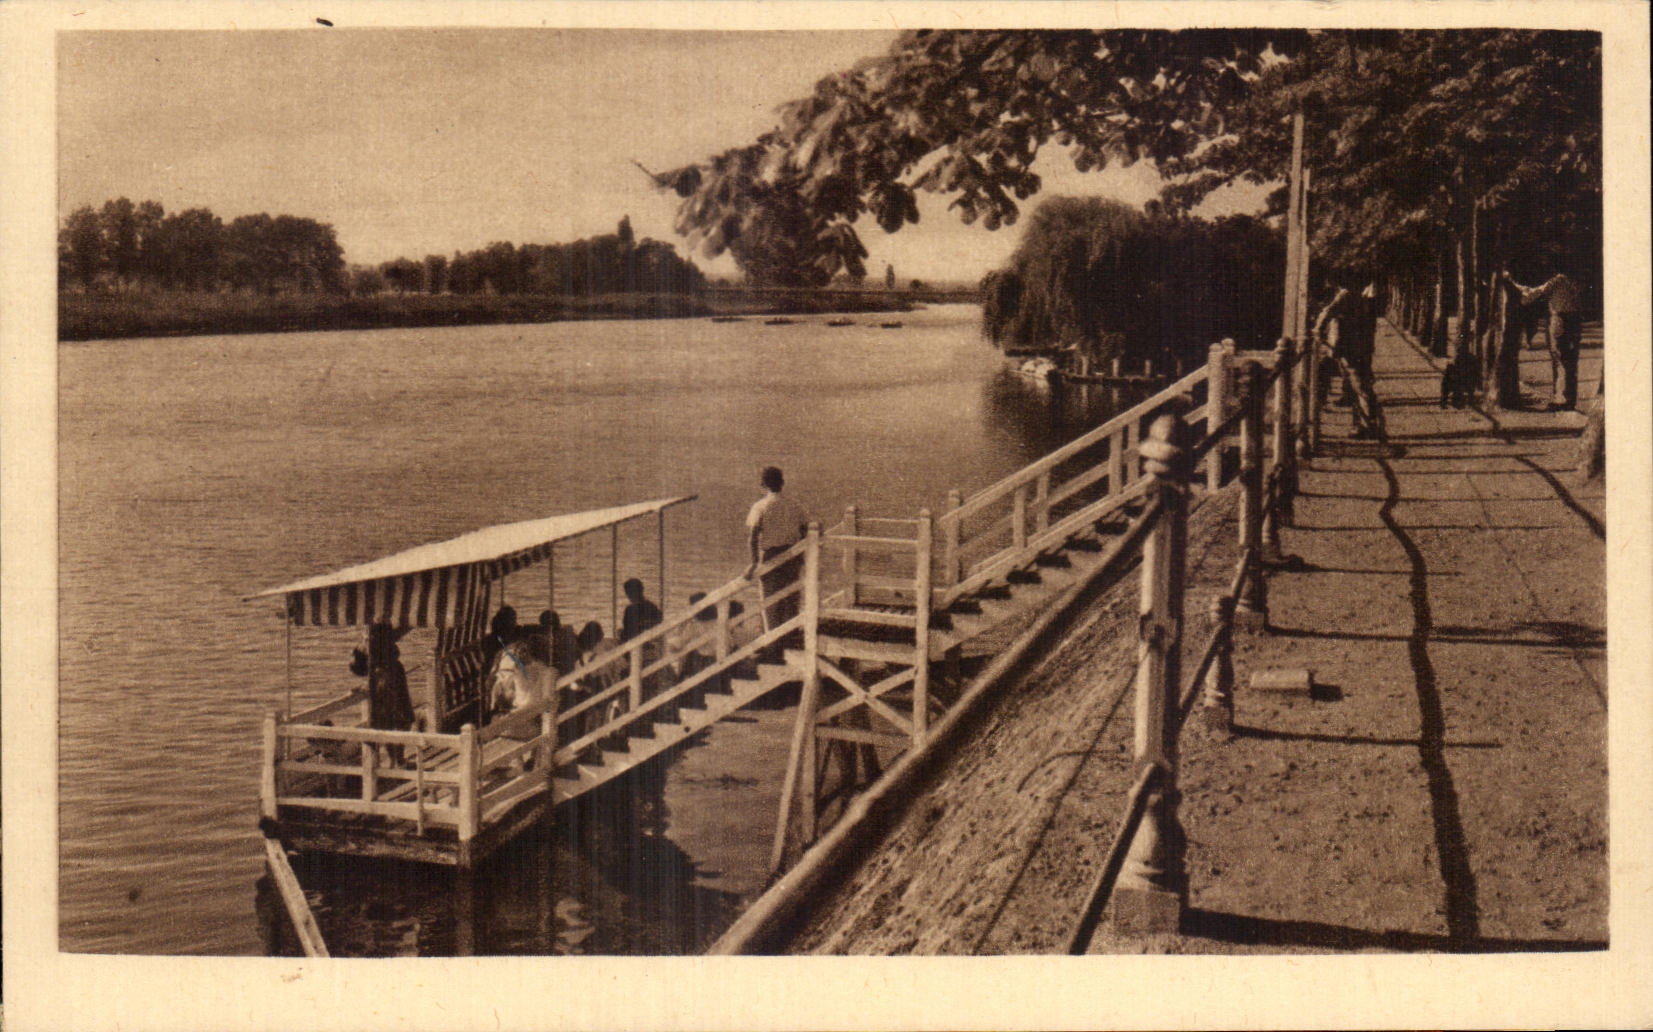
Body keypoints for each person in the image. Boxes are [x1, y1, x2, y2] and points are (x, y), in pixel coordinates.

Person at [744, 466, 809, 636]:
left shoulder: (760, 506)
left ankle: (773, 644)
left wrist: (753, 563)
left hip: (771, 557)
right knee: (791, 600)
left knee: (770, 603)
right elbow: (806, 532)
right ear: (782, 483)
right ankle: (790, 638)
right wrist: (801, 556)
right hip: (792, 556)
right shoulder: (796, 505)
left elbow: (752, 537)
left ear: (762, 485)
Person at [1508, 270, 1584, 410]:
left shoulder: (1558, 280)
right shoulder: (1575, 280)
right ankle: (1569, 399)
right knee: (1571, 362)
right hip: (1575, 321)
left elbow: (1532, 295)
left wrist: (1513, 285)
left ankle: (1561, 399)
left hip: (1560, 320)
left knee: (1559, 359)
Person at [362, 623, 414, 765]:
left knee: (401, 720)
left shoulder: (376, 641)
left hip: (390, 675)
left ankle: (397, 759)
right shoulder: (374, 644)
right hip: (385, 677)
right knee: (393, 721)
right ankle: (397, 759)